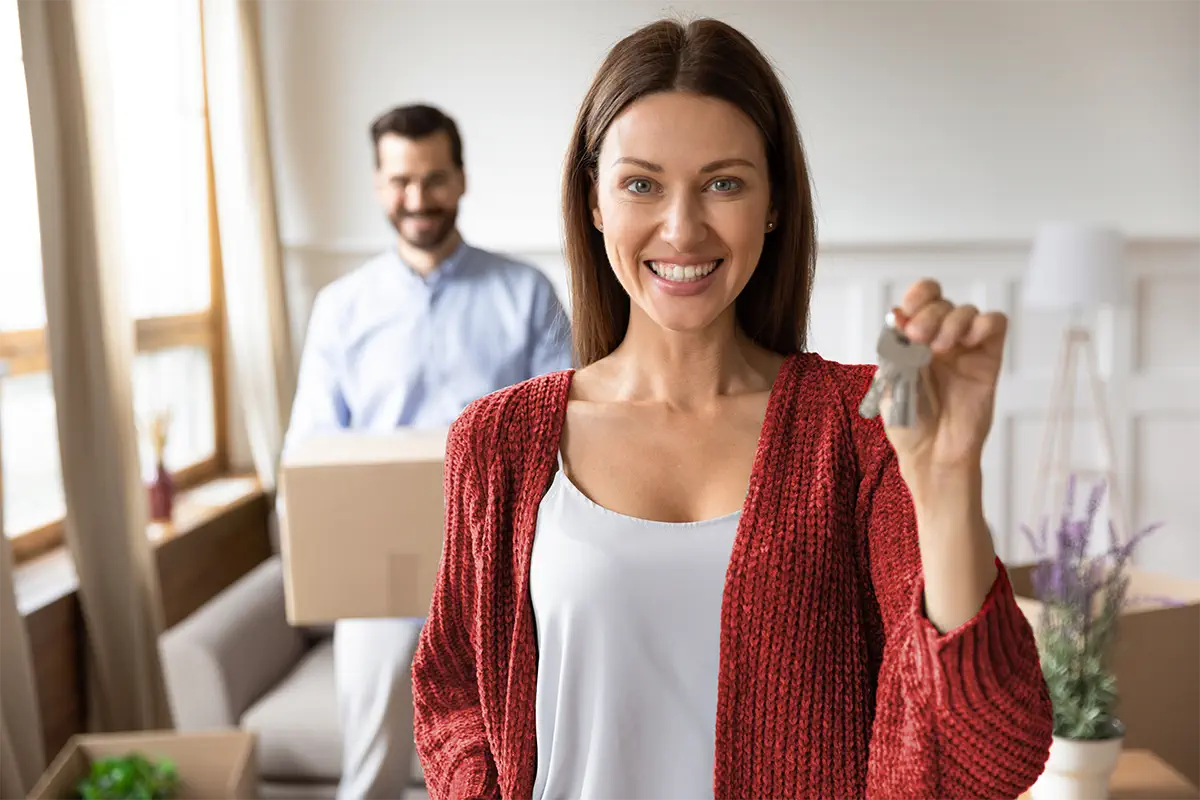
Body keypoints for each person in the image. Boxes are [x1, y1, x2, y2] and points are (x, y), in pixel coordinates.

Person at [410, 17, 1054, 800]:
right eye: (641, 183)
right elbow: (454, 698)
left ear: (774, 202)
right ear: (594, 202)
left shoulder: (861, 432)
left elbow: (991, 752)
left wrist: (949, 478)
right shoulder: (498, 441)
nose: (682, 228)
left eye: (724, 182)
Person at [282, 103, 572, 800]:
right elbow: (311, 450)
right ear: (379, 184)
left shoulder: (524, 293)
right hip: (377, 583)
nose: (418, 199)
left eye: (434, 179)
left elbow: (563, 433)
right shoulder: (342, 307)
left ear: (462, 179)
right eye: (401, 181)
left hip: (501, 573)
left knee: (511, 767)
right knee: (369, 777)